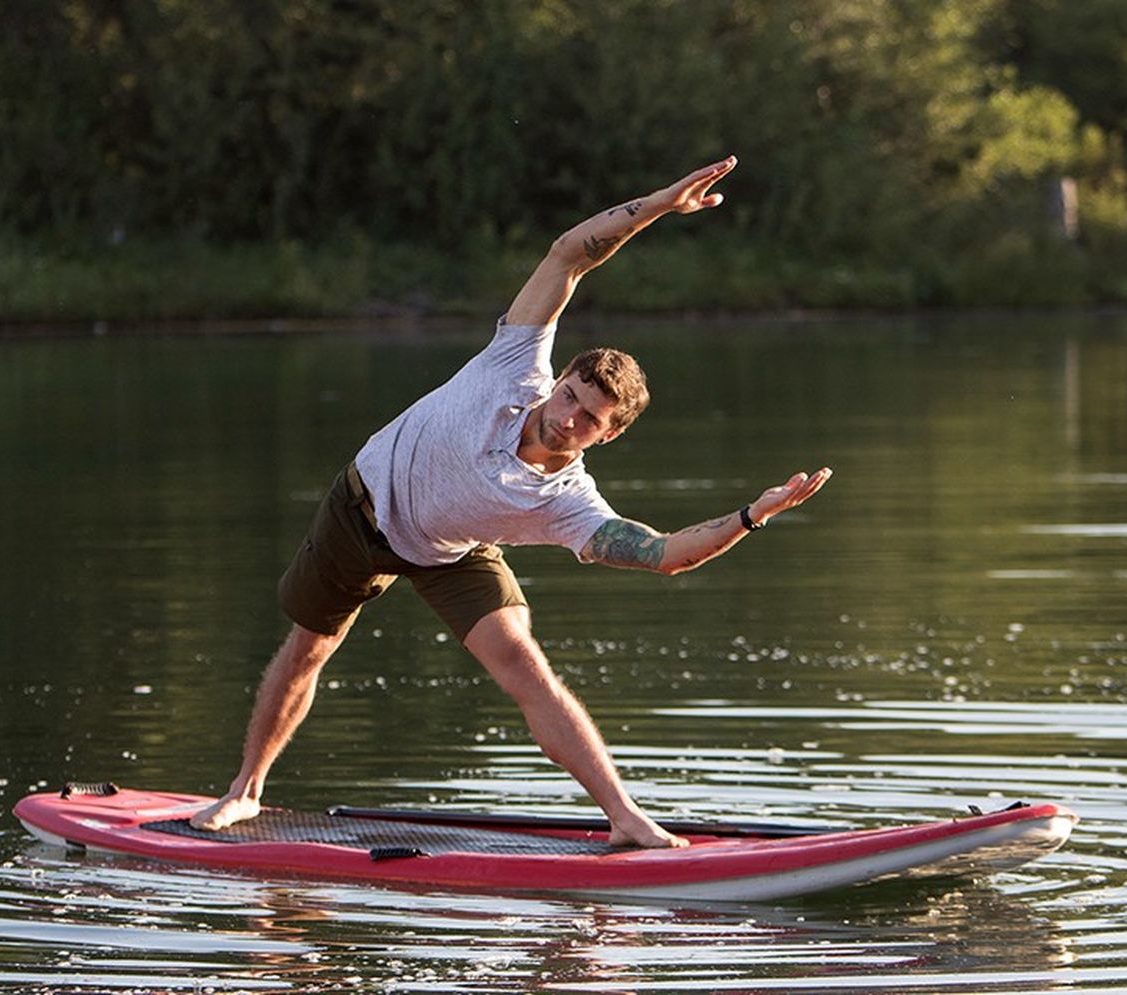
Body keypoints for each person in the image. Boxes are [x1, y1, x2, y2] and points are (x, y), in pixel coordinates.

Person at [192, 156, 832, 847]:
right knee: (311, 646)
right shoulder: (514, 363)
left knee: (527, 665)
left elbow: (666, 555)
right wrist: (658, 205)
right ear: (559, 379)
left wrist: (750, 516)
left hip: (448, 550)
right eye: (571, 397)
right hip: (363, 507)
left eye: (589, 419)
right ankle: (245, 792)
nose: (567, 418)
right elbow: (567, 256)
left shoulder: (566, 501)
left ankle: (624, 817)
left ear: (608, 436)